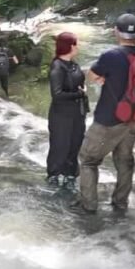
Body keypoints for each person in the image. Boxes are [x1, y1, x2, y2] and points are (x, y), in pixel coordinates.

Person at [79, 13, 135, 213]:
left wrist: (103, 79)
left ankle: (89, 206)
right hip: (133, 118)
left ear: (116, 32)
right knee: (125, 160)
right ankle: (120, 203)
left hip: (108, 119)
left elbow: (92, 75)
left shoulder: (111, 55)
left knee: (88, 160)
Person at [47, 32, 88, 188]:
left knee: (75, 144)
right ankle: (54, 175)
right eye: (76, 44)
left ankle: (70, 175)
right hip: (61, 114)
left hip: (77, 112)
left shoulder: (73, 64)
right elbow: (56, 94)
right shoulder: (57, 66)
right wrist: (79, 93)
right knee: (60, 145)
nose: (78, 47)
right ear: (70, 46)